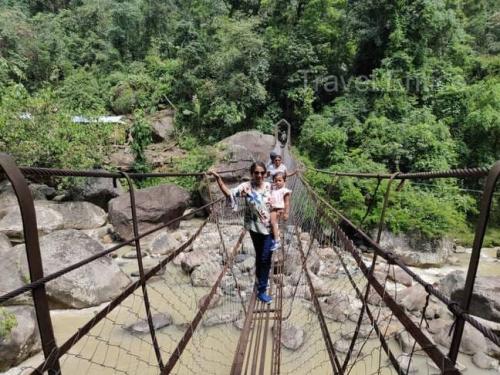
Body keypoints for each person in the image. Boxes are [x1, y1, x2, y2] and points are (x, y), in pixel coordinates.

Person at [210, 162, 274, 304]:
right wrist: (218, 179)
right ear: (252, 173)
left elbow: (282, 193)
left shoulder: (270, 186)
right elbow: (230, 193)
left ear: (265, 174)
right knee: (260, 257)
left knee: (265, 258)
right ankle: (260, 281)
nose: (259, 175)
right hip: (255, 228)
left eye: (262, 173)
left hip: (270, 228)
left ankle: (261, 290)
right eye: (256, 173)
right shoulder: (246, 187)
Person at [269, 172, 291, 252]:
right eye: (276, 180)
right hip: (273, 208)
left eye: (280, 180)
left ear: (284, 181)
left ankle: (277, 241)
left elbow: (287, 203)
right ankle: (276, 236)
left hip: (279, 209)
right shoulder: (273, 189)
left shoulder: (285, 191)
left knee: (273, 223)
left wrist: (286, 213)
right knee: (275, 223)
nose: (277, 182)